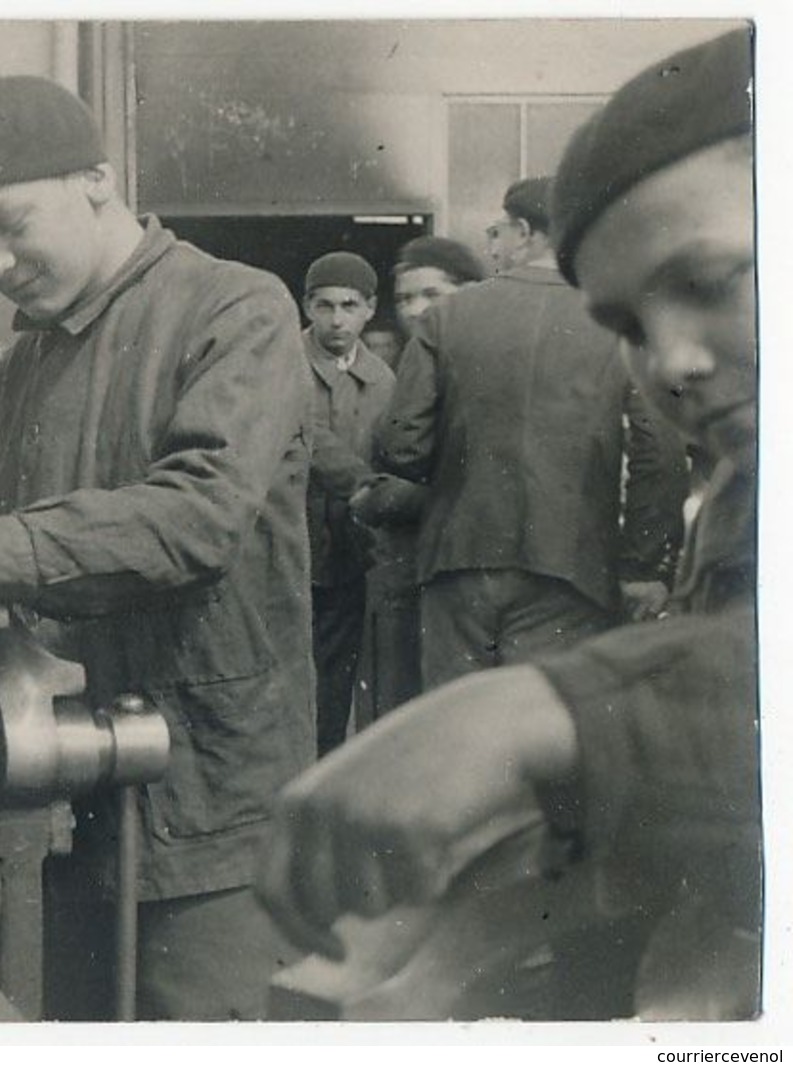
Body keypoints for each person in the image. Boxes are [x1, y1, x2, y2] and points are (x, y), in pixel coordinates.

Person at [256, 26, 757, 1020]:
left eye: (707, 285)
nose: (669, 363)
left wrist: (543, 711)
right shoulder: (746, 488)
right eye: (623, 327)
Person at [0, 75, 314, 1021]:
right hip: (59, 809)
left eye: (8, 223)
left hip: (209, 803)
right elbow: (13, 573)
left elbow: (198, 517)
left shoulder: (236, 310)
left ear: (98, 178)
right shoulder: (22, 367)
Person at [375, 176, 688, 688]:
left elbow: (401, 444)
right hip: (573, 568)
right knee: (542, 736)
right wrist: (641, 566)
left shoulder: (450, 314)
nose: (491, 245)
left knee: (459, 731)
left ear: (525, 232)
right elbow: (661, 453)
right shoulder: (617, 322)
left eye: (497, 232)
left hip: (457, 563)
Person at [349, 234, 488, 726]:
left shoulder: (478, 366)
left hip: (446, 563)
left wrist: (382, 496)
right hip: (406, 563)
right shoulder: (407, 363)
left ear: (473, 290)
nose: (416, 309)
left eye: (433, 294)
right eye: (406, 298)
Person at [299, 251, 397, 755]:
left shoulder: (385, 381)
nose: (337, 319)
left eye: (349, 306)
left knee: (337, 674)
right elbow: (302, 436)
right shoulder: (281, 364)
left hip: (351, 553)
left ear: (370, 309)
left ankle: (324, 767)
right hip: (288, 547)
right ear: (306, 308)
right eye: (324, 305)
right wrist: (363, 484)